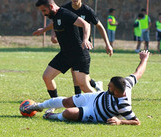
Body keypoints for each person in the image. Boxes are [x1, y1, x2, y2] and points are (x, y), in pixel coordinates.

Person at [23, 50, 151, 125]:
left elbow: (136, 122)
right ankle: (37, 106)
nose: (108, 86)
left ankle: (51, 116)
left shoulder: (124, 106)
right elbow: (138, 72)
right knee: (67, 101)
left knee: (68, 113)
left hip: (95, 114)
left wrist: (120, 121)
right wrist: (144, 59)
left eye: (110, 87)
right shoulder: (125, 83)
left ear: (117, 92)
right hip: (94, 98)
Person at [33, 0, 95, 104]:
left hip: (78, 54)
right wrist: (43, 30)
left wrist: (85, 39)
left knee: (84, 86)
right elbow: (54, 23)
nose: (44, 14)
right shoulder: (56, 16)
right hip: (65, 54)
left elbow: (86, 24)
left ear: (51, 7)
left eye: (44, 11)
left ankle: (103, 104)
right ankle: (55, 103)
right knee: (47, 77)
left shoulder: (65, 13)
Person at [58, 0, 112, 93]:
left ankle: (78, 95)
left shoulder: (87, 11)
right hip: (70, 44)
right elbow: (56, 22)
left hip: (84, 44)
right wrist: (54, 34)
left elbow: (100, 26)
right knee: (79, 72)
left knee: (76, 70)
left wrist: (108, 44)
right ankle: (94, 84)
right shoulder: (65, 8)